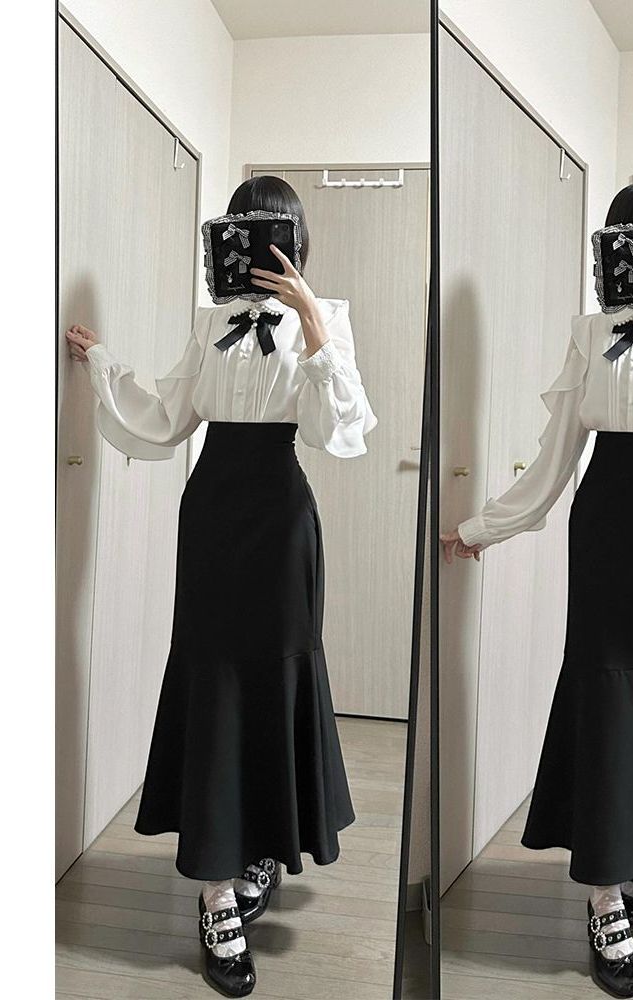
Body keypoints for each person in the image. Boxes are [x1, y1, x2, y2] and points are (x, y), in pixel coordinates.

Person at [439, 181, 633, 998]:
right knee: (608, 694)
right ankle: (603, 896)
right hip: (608, 529)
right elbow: (556, 453)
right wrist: (483, 527)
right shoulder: (589, 334)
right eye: (628, 240)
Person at [64, 175, 378, 998]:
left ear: (295, 241)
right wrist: (102, 363)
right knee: (213, 684)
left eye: (271, 233)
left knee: (276, 679)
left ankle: (261, 844)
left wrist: (312, 322)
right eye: (240, 231)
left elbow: (341, 431)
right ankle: (215, 892)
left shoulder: (326, 319)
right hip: (211, 516)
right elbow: (168, 416)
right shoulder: (210, 326)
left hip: (283, 520)